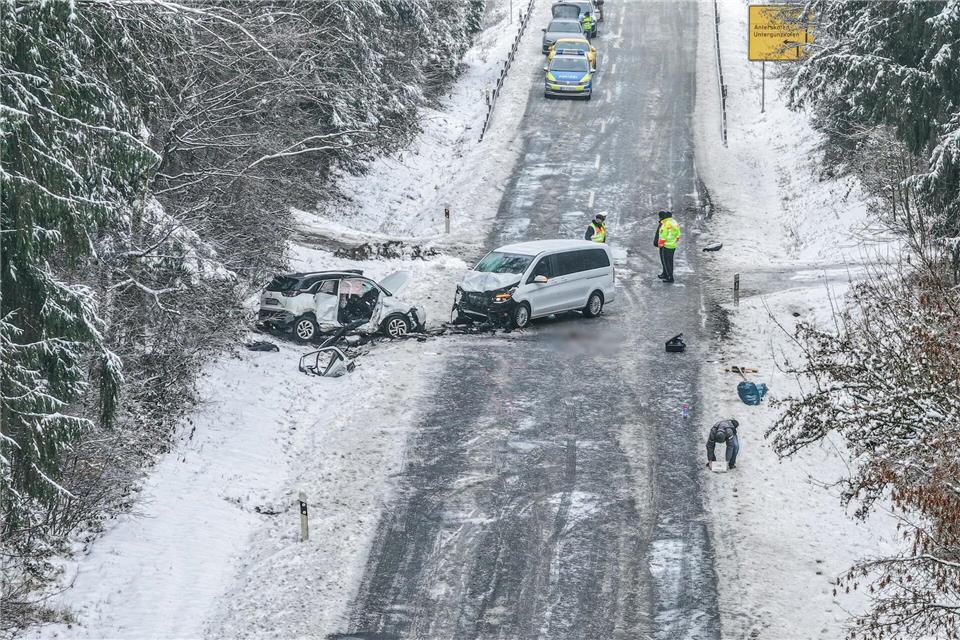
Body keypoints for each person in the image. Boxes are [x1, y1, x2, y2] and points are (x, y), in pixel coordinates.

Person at [654, 210, 680, 283]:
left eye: (660, 217)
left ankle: (669, 277)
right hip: (672, 245)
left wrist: (660, 244)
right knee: (669, 261)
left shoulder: (665, 224)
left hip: (666, 245)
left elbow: (663, 236)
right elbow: (678, 234)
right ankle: (665, 274)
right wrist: (674, 241)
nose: (659, 218)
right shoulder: (674, 222)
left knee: (666, 262)